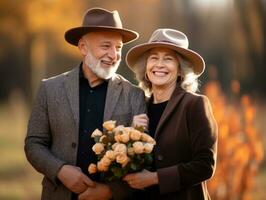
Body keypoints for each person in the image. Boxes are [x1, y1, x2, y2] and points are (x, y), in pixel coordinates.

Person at [24, 8, 146, 200]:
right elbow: (34, 144)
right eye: (106, 46)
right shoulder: (50, 89)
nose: (114, 55)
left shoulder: (135, 95)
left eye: (119, 48)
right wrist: (61, 170)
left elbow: (143, 161)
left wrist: (109, 191)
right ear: (83, 47)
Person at [123, 28, 218, 200]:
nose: (159, 65)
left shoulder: (194, 104)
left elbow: (205, 165)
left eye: (168, 59)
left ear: (181, 70)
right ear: (146, 68)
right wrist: (131, 135)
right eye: (154, 58)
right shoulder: (139, 106)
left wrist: (154, 178)